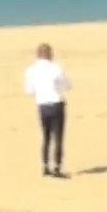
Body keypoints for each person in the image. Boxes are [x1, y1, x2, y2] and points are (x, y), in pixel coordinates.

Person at [24, 43, 71, 178]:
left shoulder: (31, 70)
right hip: (56, 103)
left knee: (46, 136)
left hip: (42, 105)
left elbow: (29, 91)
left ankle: (45, 166)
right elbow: (67, 85)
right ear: (50, 54)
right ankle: (57, 167)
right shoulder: (56, 68)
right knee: (58, 137)